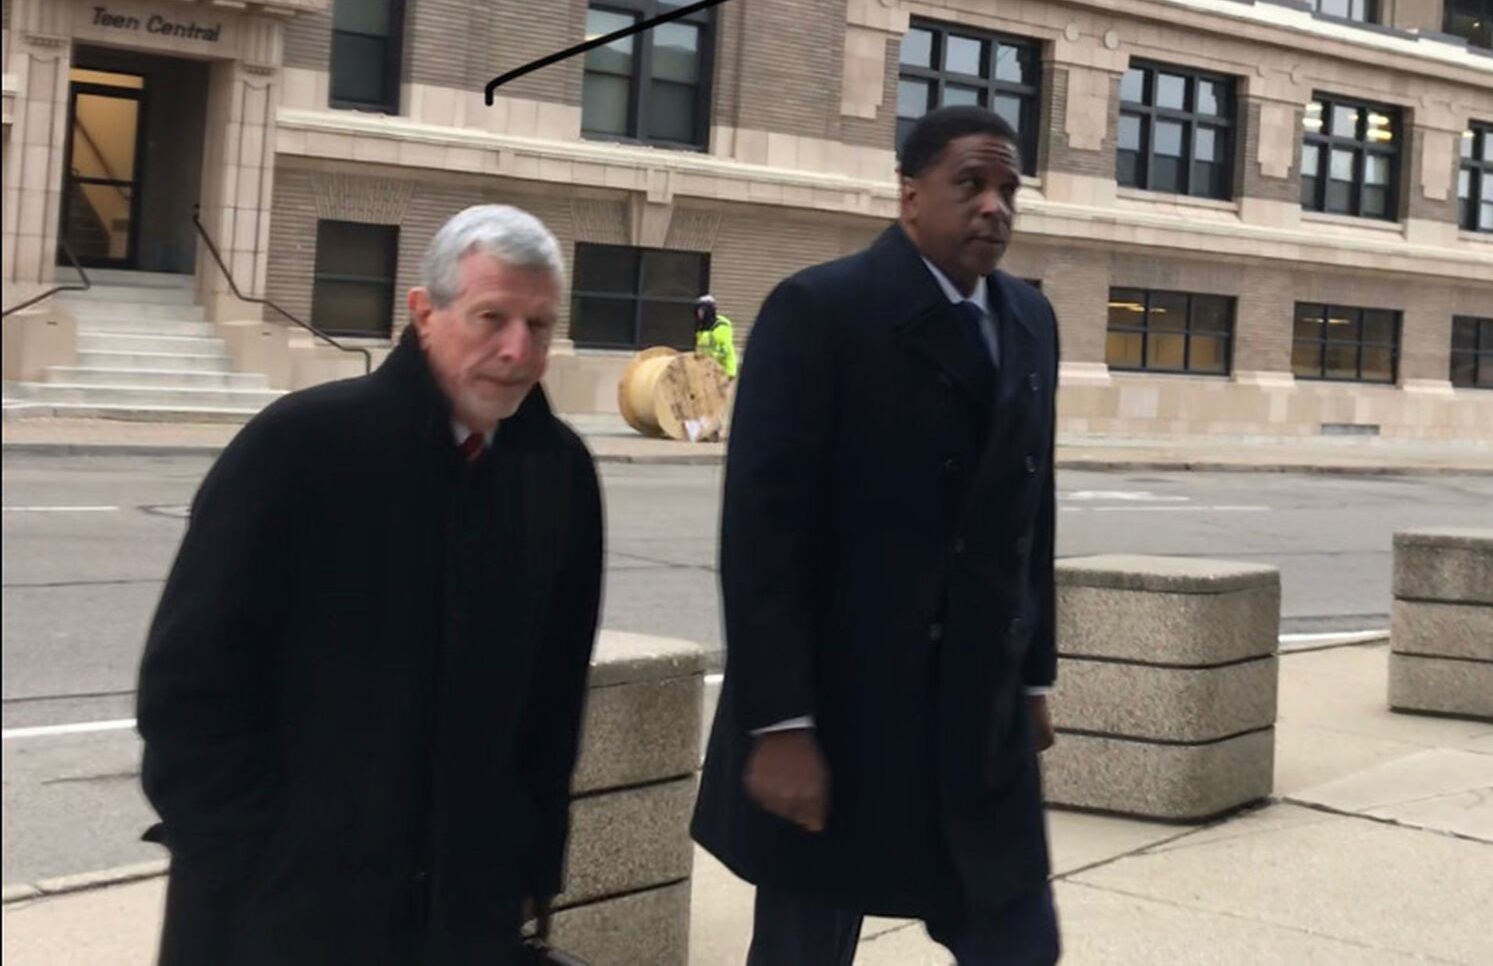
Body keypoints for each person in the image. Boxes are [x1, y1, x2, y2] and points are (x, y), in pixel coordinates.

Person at [135, 204, 604, 965]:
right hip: (280, 911)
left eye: (541, 324)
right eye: (491, 317)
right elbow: (189, 682)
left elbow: (553, 701)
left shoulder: (558, 473)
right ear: (424, 313)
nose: (517, 350)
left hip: (464, 910)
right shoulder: (298, 448)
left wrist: (528, 869)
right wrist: (247, 852)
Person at [692, 105, 1061, 965]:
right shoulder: (820, 310)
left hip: (978, 709)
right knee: (805, 947)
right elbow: (763, 535)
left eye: (1008, 188)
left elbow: (1029, 513)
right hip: (844, 710)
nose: (994, 207)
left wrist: (1034, 672)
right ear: (909, 197)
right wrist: (778, 723)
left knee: (1018, 940)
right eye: (970, 184)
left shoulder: (1030, 321)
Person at [694, 293, 739, 378]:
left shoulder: (720, 326)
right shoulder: (702, 327)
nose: (699, 313)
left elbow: (724, 351)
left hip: (722, 372)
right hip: (707, 371)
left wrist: (708, 360)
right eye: (698, 310)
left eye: (701, 310)